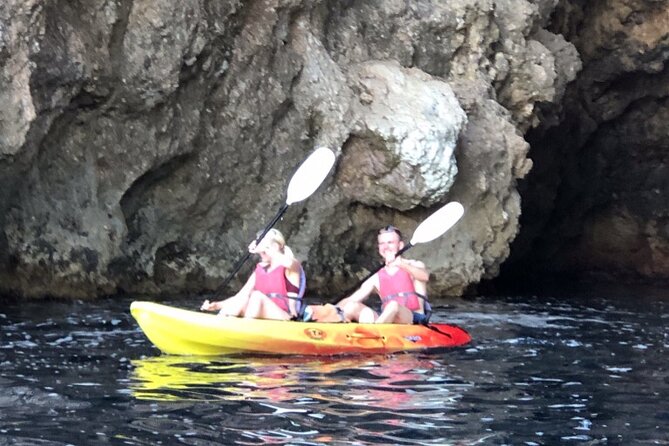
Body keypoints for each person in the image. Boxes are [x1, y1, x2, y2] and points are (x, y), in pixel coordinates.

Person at [200, 228, 305, 320]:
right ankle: (221, 323)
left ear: (276, 246)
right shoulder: (260, 269)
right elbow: (240, 296)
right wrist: (217, 305)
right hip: (264, 315)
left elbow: (288, 262)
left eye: (265, 249)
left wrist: (265, 247)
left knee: (256, 296)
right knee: (243, 299)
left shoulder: (291, 264)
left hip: (286, 316)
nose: (261, 253)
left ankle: (245, 332)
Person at [337, 225, 431, 324]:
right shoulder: (376, 277)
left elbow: (424, 276)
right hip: (387, 321)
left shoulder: (414, 265)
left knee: (393, 305)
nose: (385, 247)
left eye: (390, 242)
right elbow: (352, 299)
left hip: (414, 319)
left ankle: (375, 331)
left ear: (400, 245)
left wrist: (400, 263)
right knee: (352, 306)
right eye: (382, 243)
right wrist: (329, 310)